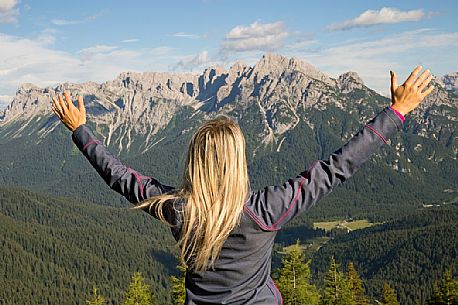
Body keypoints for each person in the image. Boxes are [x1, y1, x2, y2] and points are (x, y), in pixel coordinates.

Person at [51, 66, 434, 305]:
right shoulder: (265, 209)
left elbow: (121, 177)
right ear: (238, 163)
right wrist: (396, 113)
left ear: (195, 162)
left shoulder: (178, 210)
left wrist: (80, 131)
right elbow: (337, 166)